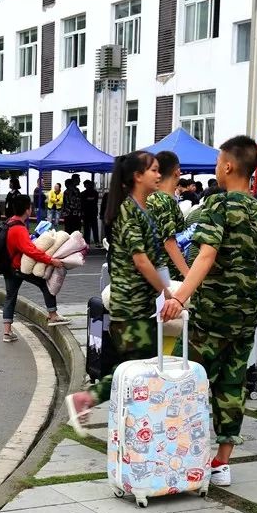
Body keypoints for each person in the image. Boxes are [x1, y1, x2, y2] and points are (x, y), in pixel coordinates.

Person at [159, 135, 257, 488]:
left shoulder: (219, 206)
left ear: (228, 165)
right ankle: (221, 462)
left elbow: (207, 255)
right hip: (247, 310)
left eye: (218, 161)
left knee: (191, 380)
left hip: (214, 312)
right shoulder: (256, 209)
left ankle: (183, 454)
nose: (216, 167)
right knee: (233, 384)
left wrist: (180, 297)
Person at [64, 151, 165, 416]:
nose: (159, 175)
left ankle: (126, 417)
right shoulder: (128, 211)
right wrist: (169, 292)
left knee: (139, 368)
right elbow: (141, 261)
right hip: (130, 306)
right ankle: (87, 399)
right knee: (139, 369)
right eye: (154, 170)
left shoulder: (143, 209)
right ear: (137, 176)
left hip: (140, 305)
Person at [1, 194, 70, 343]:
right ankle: (53, 315)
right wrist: (51, 260)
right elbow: (30, 250)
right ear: (27, 209)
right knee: (45, 283)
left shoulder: (9, 223)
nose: (31, 209)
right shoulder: (19, 228)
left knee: (10, 297)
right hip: (19, 268)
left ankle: (7, 332)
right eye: (30, 207)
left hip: (8, 267)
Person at [148, 151, 191, 281]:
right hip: (166, 275)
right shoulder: (165, 201)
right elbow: (170, 243)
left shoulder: (150, 197)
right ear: (177, 172)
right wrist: (190, 278)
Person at [81, 179, 100, 246]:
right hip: (89, 213)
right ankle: (91, 242)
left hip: (90, 213)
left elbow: (84, 203)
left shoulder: (93, 193)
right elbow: (83, 203)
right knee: (90, 228)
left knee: (90, 228)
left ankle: (91, 242)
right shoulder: (93, 193)